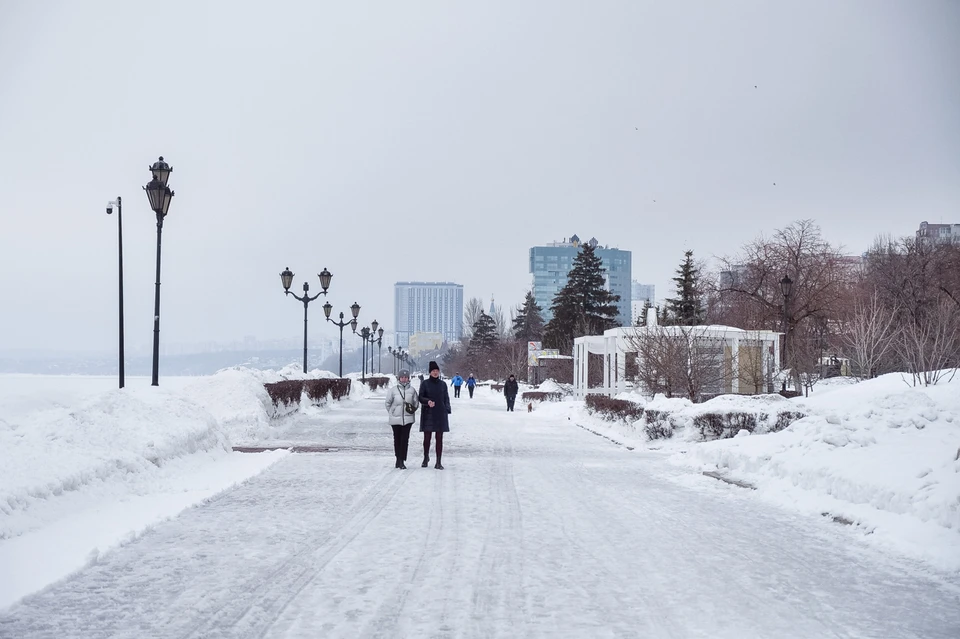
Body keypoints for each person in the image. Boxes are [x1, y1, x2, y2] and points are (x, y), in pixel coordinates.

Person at [419, 360, 451, 469]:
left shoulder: (443, 384)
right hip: (428, 412)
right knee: (427, 437)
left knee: (439, 438)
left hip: (440, 413)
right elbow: (420, 397)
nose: (435, 373)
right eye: (433, 371)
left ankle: (438, 461)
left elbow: (446, 398)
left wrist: (447, 408)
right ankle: (425, 457)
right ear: (430, 372)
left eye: (437, 371)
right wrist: (427, 401)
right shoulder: (425, 384)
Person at [384, 369, 418, 469]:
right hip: (395, 419)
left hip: (408, 419)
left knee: (405, 440)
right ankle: (397, 459)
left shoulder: (412, 390)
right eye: (402, 377)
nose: (404, 379)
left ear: (408, 378)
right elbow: (387, 403)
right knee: (397, 439)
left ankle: (402, 460)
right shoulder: (393, 390)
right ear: (399, 378)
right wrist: (392, 412)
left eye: (406, 377)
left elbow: (416, 403)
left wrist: (411, 410)